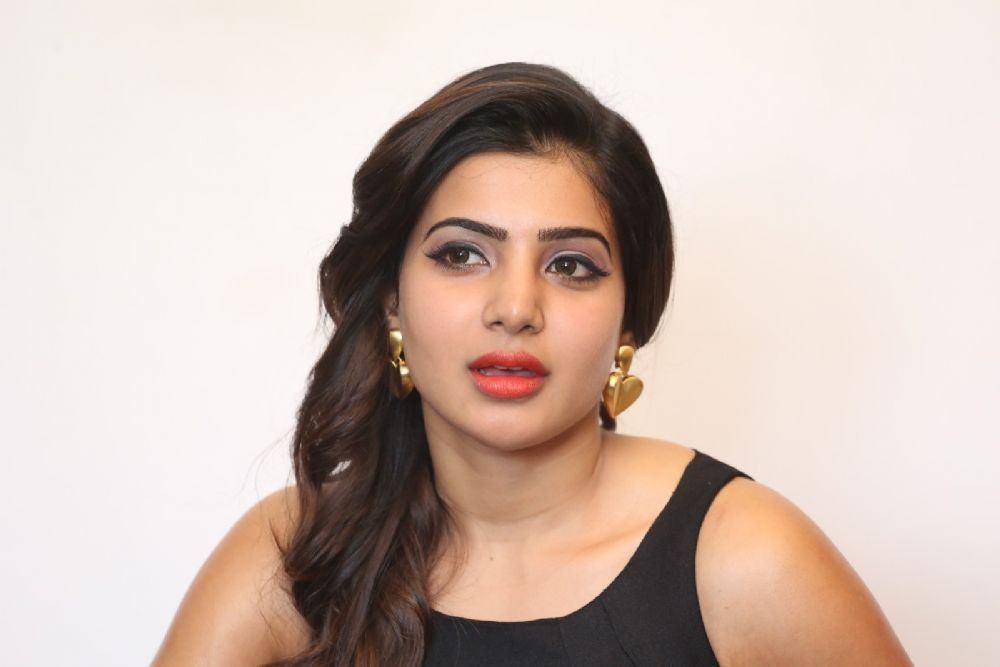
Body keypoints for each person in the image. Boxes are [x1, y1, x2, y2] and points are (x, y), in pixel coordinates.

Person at [154, 63, 911, 666]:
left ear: (629, 319)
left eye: (571, 265)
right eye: (462, 254)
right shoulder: (295, 555)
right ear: (391, 302)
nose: (516, 307)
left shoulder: (746, 558)